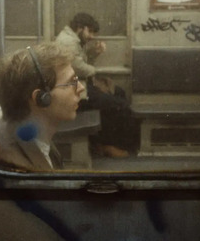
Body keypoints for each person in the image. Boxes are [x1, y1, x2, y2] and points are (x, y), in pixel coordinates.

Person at [55, 12, 138, 158]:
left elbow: (81, 65)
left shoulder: (74, 40)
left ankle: (104, 143)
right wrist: (96, 73)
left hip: (79, 86)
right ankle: (108, 145)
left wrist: (94, 54)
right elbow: (77, 67)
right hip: (75, 93)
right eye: (90, 31)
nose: (92, 36)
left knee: (118, 93)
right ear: (80, 28)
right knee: (120, 105)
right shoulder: (68, 42)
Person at [0, 42, 85, 171]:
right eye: (70, 82)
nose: (81, 88)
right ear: (41, 98)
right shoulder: (17, 165)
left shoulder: (34, 138)